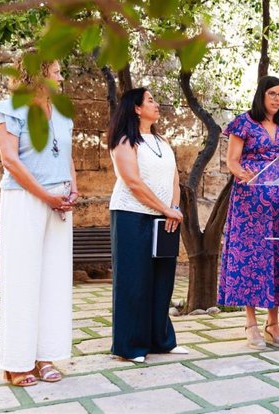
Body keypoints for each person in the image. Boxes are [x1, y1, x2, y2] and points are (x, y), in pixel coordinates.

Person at [0, 56, 77, 386]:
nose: (61, 76)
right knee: (23, 279)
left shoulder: (63, 112)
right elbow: (9, 160)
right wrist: (45, 194)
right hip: (24, 200)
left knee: (54, 281)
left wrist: (73, 188)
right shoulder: (8, 108)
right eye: (56, 71)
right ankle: (16, 363)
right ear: (38, 76)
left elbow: (66, 154)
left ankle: (45, 356)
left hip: (59, 202)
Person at [218, 75, 279, 350]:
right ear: (261, 95)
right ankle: (251, 323)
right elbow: (232, 160)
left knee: (278, 258)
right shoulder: (244, 122)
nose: (277, 99)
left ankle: (273, 323)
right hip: (250, 205)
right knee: (253, 260)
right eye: (273, 94)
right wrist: (246, 175)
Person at [108, 87, 187, 363]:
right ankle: (130, 347)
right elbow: (132, 182)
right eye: (150, 100)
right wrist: (165, 208)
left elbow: (174, 179)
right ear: (136, 109)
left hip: (165, 217)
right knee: (134, 281)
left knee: (162, 279)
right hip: (132, 215)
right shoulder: (124, 140)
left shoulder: (162, 140)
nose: (156, 104)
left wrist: (173, 209)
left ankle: (161, 341)